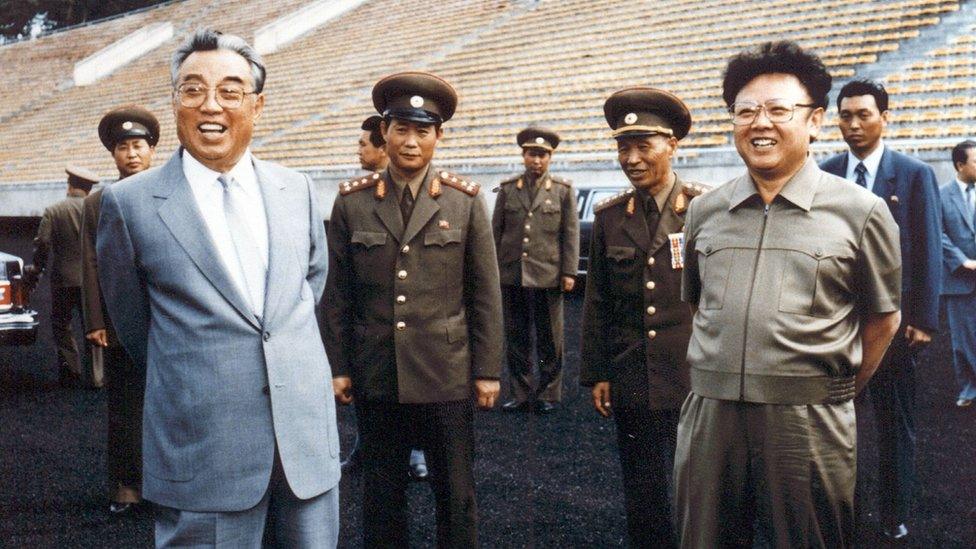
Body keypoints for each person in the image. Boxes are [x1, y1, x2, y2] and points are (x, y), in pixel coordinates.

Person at [96, 29, 339, 547]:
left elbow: (307, 289)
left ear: (257, 105)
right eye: (193, 89)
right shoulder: (130, 204)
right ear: (175, 101)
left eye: (230, 91)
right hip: (203, 451)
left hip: (305, 447)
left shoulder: (295, 189)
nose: (212, 105)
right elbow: (134, 324)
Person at [675, 41, 902, 548]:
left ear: (816, 121)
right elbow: (699, 306)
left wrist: (830, 388)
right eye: (746, 110)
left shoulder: (860, 212)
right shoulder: (704, 212)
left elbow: (883, 320)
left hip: (807, 422)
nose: (761, 123)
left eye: (779, 110)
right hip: (710, 417)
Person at [323, 71, 503, 548]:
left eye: (422, 131)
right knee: (382, 495)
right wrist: (338, 366)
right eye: (400, 129)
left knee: (455, 493)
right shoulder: (352, 203)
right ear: (384, 133)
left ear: (438, 137)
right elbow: (337, 294)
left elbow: (485, 294)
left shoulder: (465, 203)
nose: (410, 141)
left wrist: (487, 370)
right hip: (377, 371)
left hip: (446, 372)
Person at [580, 87, 705, 548]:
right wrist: (599, 373)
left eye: (643, 146)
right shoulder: (611, 217)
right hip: (633, 375)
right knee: (643, 490)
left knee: (697, 491)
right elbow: (598, 303)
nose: (631, 158)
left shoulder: (702, 210)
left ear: (672, 145)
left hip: (692, 375)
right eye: (623, 147)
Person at [821, 78, 942, 541]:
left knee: (894, 427)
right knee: (834, 426)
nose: (853, 125)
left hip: (894, 326)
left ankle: (894, 514)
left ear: (884, 118)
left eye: (863, 115)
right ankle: (838, 510)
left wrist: (924, 320)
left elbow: (927, 249)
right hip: (836, 325)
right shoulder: (827, 171)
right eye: (845, 116)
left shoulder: (913, 174)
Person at [81, 105, 158, 515]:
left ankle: (167, 487)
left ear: (152, 150)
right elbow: (90, 262)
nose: (131, 154)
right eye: (123, 147)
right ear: (113, 155)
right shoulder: (98, 202)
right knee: (126, 408)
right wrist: (96, 320)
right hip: (118, 320)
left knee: (170, 405)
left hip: (167, 317)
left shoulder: (171, 190)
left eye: (138, 145)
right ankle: (127, 488)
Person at [346, 113, 429, 481]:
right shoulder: (355, 200)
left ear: (382, 148)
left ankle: (415, 452)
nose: (359, 150)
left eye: (364, 144)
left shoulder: (435, 196)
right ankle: (368, 448)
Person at [493, 126, 579, 414]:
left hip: (548, 275)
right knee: (516, 337)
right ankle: (521, 393)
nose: (537, 161)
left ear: (550, 158)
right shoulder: (507, 189)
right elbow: (496, 233)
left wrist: (569, 272)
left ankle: (549, 393)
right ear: (523, 156)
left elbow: (570, 235)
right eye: (532, 154)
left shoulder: (563, 191)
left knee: (550, 338)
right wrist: (492, 272)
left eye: (542, 155)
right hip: (512, 274)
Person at [26, 165, 98, 387]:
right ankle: (97, 377)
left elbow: (43, 243)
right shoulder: (98, 209)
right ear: (88, 188)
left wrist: (37, 268)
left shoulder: (54, 210)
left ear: (69, 185)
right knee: (94, 326)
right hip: (92, 281)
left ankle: (72, 371)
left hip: (63, 280)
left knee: (62, 324)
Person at [940, 140, 976, 407]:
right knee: (962, 340)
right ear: (960, 165)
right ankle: (968, 389)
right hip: (958, 278)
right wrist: (963, 261)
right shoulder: (941, 195)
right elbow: (937, 233)